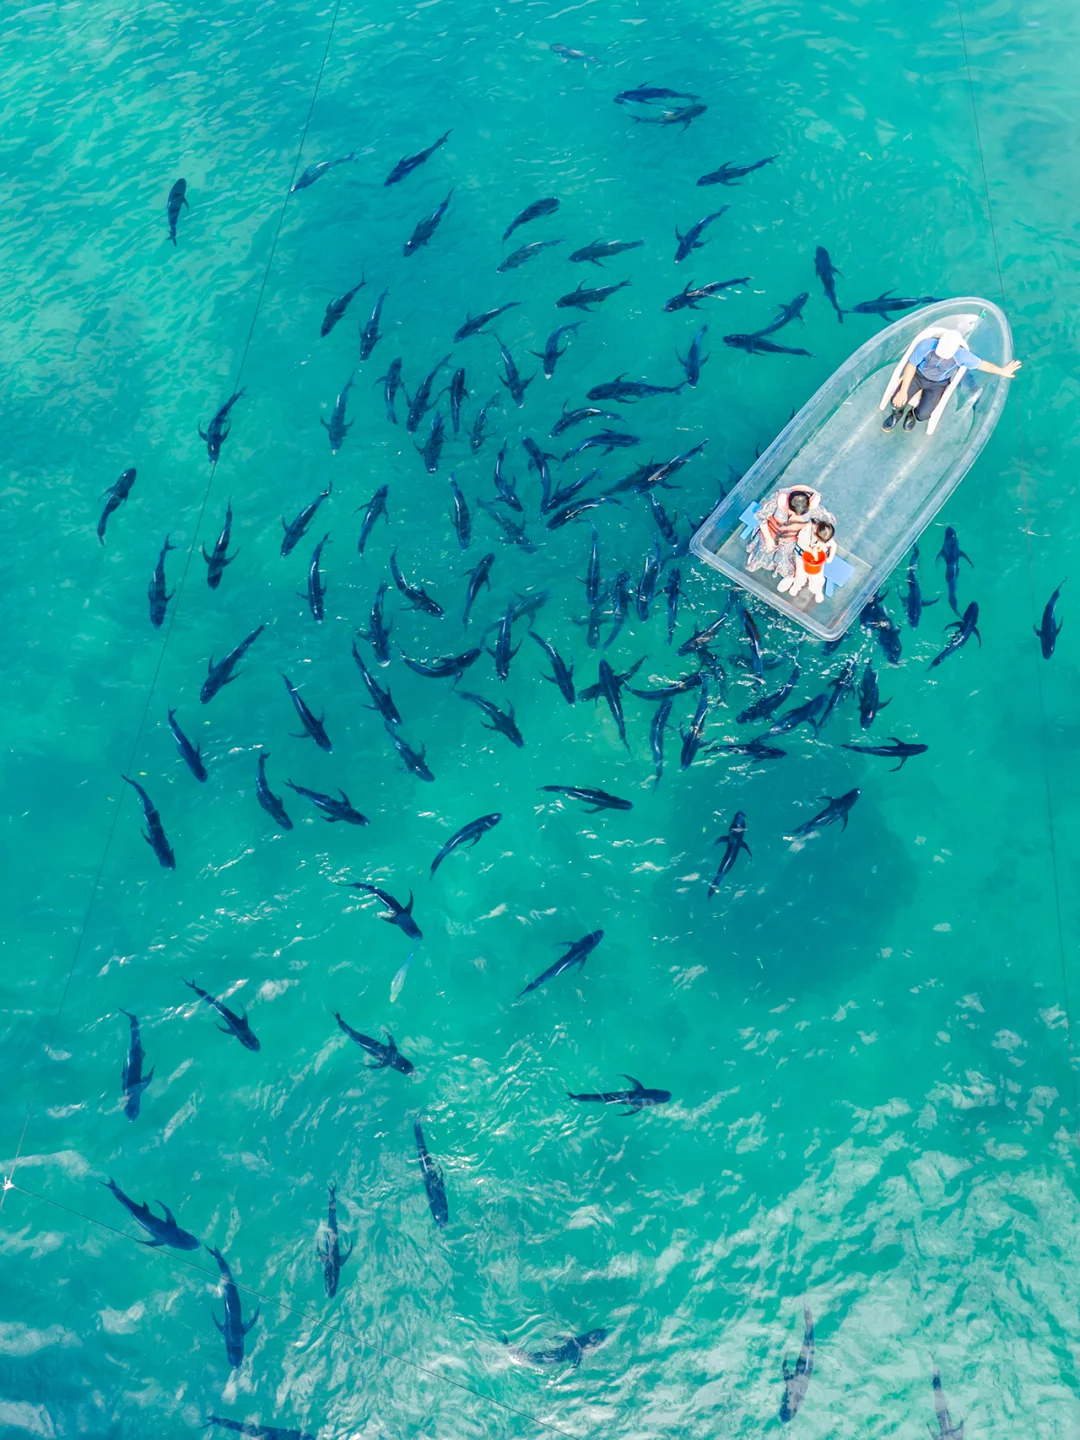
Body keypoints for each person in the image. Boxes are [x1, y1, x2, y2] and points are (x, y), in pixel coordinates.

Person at [883, 328, 1022, 433]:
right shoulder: (926, 345)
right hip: (918, 375)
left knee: (923, 415)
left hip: (938, 384)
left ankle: (912, 414)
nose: (943, 357)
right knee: (896, 401)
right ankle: (897, 413)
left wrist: (1001, 371)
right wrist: (903, 390)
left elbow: (983, 364)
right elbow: (911, 365)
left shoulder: (962, 355)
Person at [745, 484, 833, 583]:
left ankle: (789, 575)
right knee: (763, 550)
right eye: (792, 513)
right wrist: (769, 539)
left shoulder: (813, 506)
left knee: (785, 561)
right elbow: (761, 517)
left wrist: (821, 541)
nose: (793, 516)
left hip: (790, 541)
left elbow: (827, 522)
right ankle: (757, 557)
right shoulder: (777, 500)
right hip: (771, 533)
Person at [778, 520, 836, 603]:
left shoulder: (825, 533)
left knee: (818, 578)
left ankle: (817, 590)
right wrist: (811, 550)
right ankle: (796, 586)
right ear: (815, 531)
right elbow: (800, 543)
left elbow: (833, 545)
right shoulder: (806, 530)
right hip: (802, 556)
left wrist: (830, 557)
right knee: (800, 576)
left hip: (818, 559)